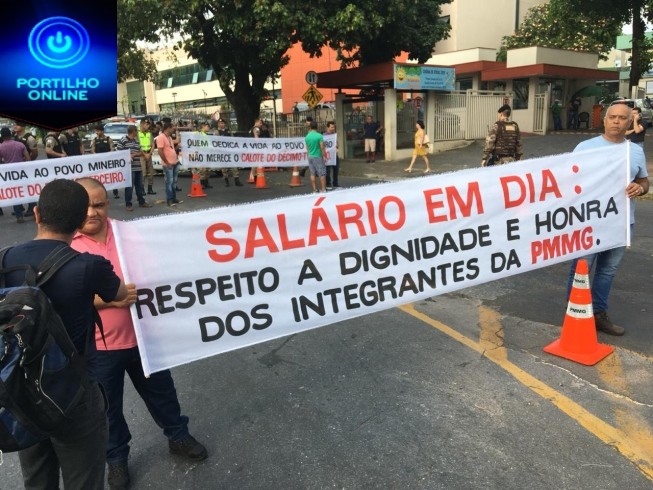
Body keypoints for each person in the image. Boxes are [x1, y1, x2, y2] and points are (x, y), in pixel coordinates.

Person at [72, 178, 208, 490]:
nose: (93, 212)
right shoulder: (67, 245)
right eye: (85, 206)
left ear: (108, 203)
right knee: (108, 410)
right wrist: (109, 299)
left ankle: (177, 435)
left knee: (163, 394)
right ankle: (116, 459)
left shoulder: (128, 233)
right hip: (99, 347)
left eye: (100, 204)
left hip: (147, 338)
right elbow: (63, 297)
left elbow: (159, 271)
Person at [2, 179, 128, 490]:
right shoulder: (89, 265)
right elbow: (120, 292)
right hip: (74, 391)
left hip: (22, 388)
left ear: (36, 214)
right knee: (83, 479)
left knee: (37, 478)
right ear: (78, 224)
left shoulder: (4, 260)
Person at [566, 102, 649, 336]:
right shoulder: (585, 147)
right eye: (612, 117)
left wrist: (640, 189)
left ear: (629, 122)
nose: (616, 121)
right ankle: (574, 314)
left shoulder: (635, 151)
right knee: (581, 269)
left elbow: (643, 180)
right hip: (589, 222)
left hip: (621, 223)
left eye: (622, 118)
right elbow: (566, 180)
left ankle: (599, 315)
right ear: (604, 120)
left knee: (607, 271)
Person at [116, 125, 152, 212]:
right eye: (136, 131)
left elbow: (141, 152)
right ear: (133, 131)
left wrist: (135, 154)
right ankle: (128, 204)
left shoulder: (136, 140)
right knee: (129, 187)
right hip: (129, 168)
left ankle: (141, 201)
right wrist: (128, 155)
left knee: (139, 185)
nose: (137, 133)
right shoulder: (123, 140)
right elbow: (118, 153)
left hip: (137, 166)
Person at [0, 126, 30, 223]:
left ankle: (19, 216)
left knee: (15, 193)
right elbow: (28, 158)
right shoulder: (20, 144)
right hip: (22, 172)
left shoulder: (0, 147)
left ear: (2, 136)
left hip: (10, 174)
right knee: (29, 190)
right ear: (10, 134)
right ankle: (34, 211)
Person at [156, 122, 183, 207]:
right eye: (172, 128)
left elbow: (170, 149)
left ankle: (173, 198)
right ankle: (169, 199)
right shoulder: (161, 137)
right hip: (168, 164)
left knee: (174, 181)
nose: (173, 129)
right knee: (169, 182)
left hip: (174, 162)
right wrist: (167, 162)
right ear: (168, 128)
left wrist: (176, 148)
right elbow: (160, 151)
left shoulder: (169, 137)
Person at [91, 124, 121, 200]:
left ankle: (115, 192)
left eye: (98, 131)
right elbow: (93, 150)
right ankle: (101, 193)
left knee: (112, 176)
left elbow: (112, 149)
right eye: (96, 131)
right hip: (99, 162)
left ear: (102, 131)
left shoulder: (108, 139)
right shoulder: (94, 140)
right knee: (100, 178)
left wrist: (108, 156)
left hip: (108, 162)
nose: (96, 132)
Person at [217, 118, 242, 187]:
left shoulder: (228, 131)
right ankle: (226, 181)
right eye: (220, 123)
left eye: (223, 123)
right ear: (218, 124)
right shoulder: (217, 132)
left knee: (234, 165)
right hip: (222, 152)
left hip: (230, 150)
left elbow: (233, 139)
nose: (222, 124)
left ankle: (237, 180)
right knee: (224, 167)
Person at [305, 119, 328, 193]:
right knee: (322, 173)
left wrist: (308, 155)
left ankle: (314, 189)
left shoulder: (307, 136)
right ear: (317, 127)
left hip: (310, 156)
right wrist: (324, 156)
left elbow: (307, 148)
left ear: (310, 127)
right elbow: (322, 147)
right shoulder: (319, 136)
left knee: (312, 173)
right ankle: (323, 189)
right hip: (318, 156)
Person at [138, 119, 156, 195]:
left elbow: (153, 144)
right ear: (142, 124)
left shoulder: (149, 133)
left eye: (148, 124)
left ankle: (150, 188)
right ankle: (142, 190)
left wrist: (149, 153)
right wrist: (145, 154)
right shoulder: (137, 134)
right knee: (143, 173)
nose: (148, 126)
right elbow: (137, 145)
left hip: (149, 154)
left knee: (151, 172)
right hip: (141, 155)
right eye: (146, 124)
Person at [196, 121, 213, 189]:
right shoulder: (199, 134)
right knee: (202, 169)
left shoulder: (206, 134)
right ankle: (202, 183)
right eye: (207, 126)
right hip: (202, 153)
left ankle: (206, 182)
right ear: (203, 126)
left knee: (207, 169)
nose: (208, 128)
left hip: (207, 153)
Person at [324, 121, 340, 189]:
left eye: (334, 127)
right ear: (328, 127)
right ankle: (328, 184)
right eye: (331, 127)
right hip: (328, 155)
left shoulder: (334, 135)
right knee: (328, 170)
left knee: (336, 169)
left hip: (334, 155)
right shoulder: (324, 135)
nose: (333, 128)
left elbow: (337, 144)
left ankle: (335, 183)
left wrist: (337, 146)